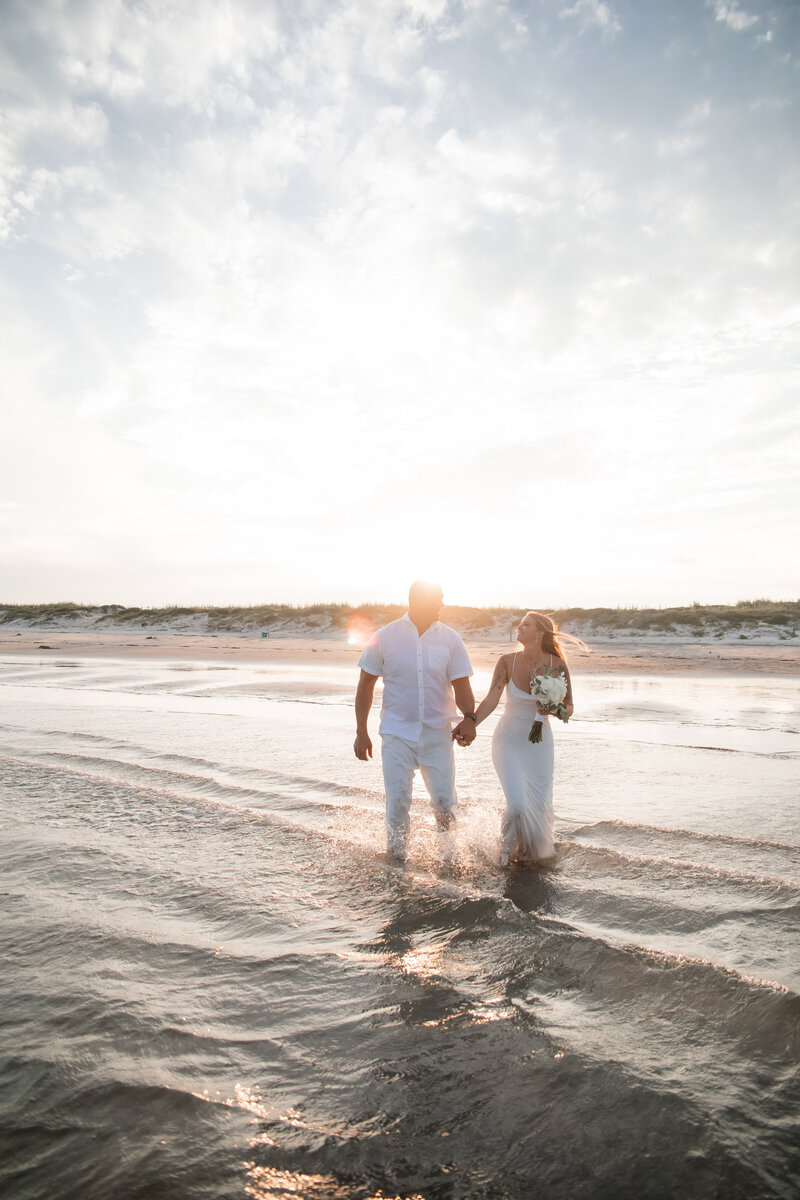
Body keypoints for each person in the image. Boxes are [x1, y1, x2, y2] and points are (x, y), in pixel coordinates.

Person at [353, 581, 476, 860]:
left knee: (444, 803)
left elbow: (462, 686)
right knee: (397, 802)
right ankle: (396, 861)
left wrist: (470, 718)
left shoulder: (450, 639)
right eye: (438, 600)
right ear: (418, 601)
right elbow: (365, 686)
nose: (442, 605)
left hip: (437, 734)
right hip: (397, 733)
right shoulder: (384, 636)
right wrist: (361, 731)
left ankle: (448, 859)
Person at [452, 612, 575, 867]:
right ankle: (503, 855)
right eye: (519, 624)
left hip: (540, 745)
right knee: (518, 805)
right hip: (508, 740)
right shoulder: (507, 662)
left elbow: (569, 707)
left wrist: (552, 709)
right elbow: (491, 700)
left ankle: (530, 856)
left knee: (538, 806)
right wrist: (471, 722)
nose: (519, 627)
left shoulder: (558, 664)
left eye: (525, 625)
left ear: (539, 632)